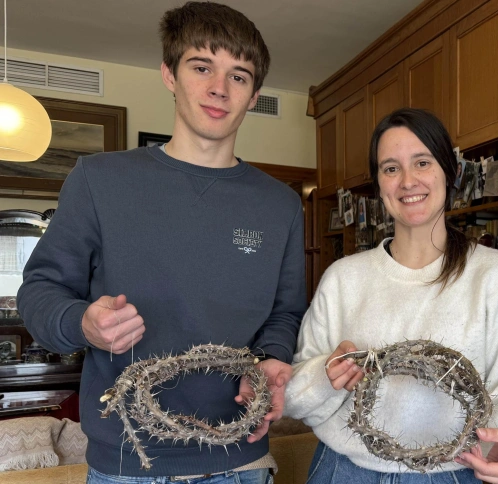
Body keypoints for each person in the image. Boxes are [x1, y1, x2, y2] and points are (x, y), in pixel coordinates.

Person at [18, 2, 306, 481]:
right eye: (201, 67)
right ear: (169, 75)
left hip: (243, 461)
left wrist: (270, 362)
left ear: (254, 94)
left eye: (239, 76)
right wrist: (83, 323)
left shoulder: (280, 205)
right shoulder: (99, 180)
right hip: (128, 465)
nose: (219, 88)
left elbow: (285, 312)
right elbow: (39, 293)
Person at [284, 108, 498, 484]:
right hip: (343, 471)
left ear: (448, 172)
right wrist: (326, 374)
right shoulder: (343, 278)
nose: (408, 181)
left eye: (422, 162)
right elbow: (295, 393)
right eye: (391, 168)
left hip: (453, 474)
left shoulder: (495, 274)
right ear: (378, 184)